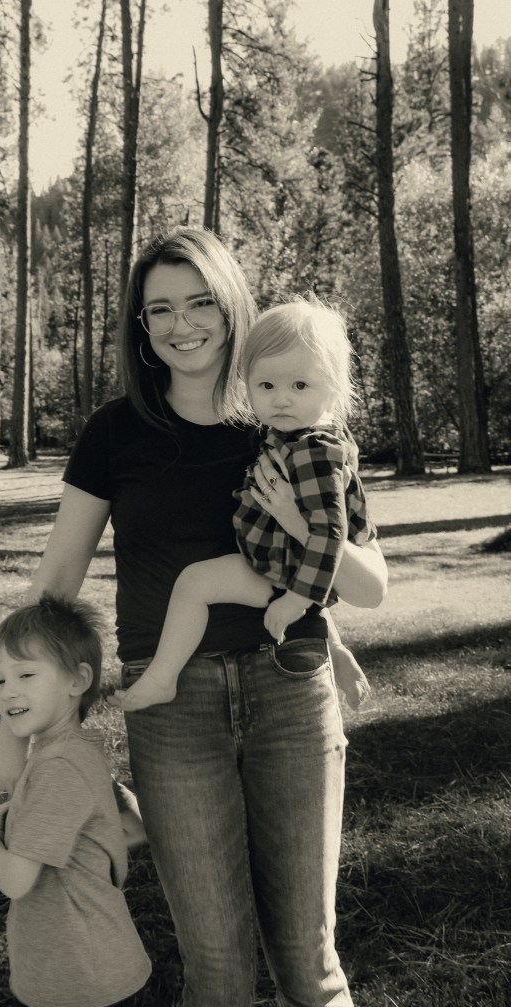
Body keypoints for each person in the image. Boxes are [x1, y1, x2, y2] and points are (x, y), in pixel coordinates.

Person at [0, 226, 388, 1007]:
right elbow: (58, 579)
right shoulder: (116, 432)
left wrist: (306, 530)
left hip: (290, 696)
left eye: (200, 301)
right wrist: (14, 707)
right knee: (215, 967)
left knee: (310, 963)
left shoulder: (288, 411)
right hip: (172, 712)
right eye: (159, 310)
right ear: (141, 327)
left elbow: (368, 579)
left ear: (231, 304)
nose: (182, 324)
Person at [107, 295, 376, 713]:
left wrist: (296, 600)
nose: (281, 399)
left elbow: (328, 534)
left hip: (280, 572)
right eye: (266, 386)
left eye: (299, 385)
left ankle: (161, 677)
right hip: (279, 563)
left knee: (194, 584)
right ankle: (335, 649)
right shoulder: (290, 434)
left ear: (334, 388)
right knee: (197, 584)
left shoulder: (314, 450)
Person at [0, 596, 151, 1007]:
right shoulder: (76, 753)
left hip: (79, 983)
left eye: (26, 674)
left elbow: (16, 881)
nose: (8, 690)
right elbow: (132, 829)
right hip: (78, 970)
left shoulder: (58, 769)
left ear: (77, 681)